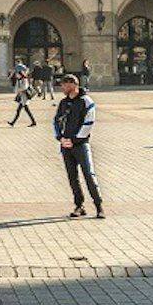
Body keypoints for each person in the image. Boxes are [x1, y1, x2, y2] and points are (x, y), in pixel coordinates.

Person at [53, 73, 103, 218]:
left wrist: (75, 139)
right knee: (72, 177)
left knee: (89, 174)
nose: (62, 87)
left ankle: (99, 206)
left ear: (73, 85)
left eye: (64, 84)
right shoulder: (63, 102)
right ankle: (79, 205)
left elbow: (89, 122)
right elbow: (56, 121)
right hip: (66, 145)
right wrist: (60, 137)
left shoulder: (86, 101)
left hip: (81, 145)